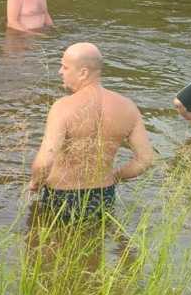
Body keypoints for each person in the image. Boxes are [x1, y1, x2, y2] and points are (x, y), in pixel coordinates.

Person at [29, 42, 154, 224]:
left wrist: (35, 183)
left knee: (51, 246)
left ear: (83, 72)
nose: (60, 72)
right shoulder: (128, 107)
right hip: (104, 194)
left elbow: (45, 161)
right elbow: (145, 159)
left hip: (62, 195)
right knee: (95, 248)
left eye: (65, 67)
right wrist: (114, 176)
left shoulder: (63, 107)